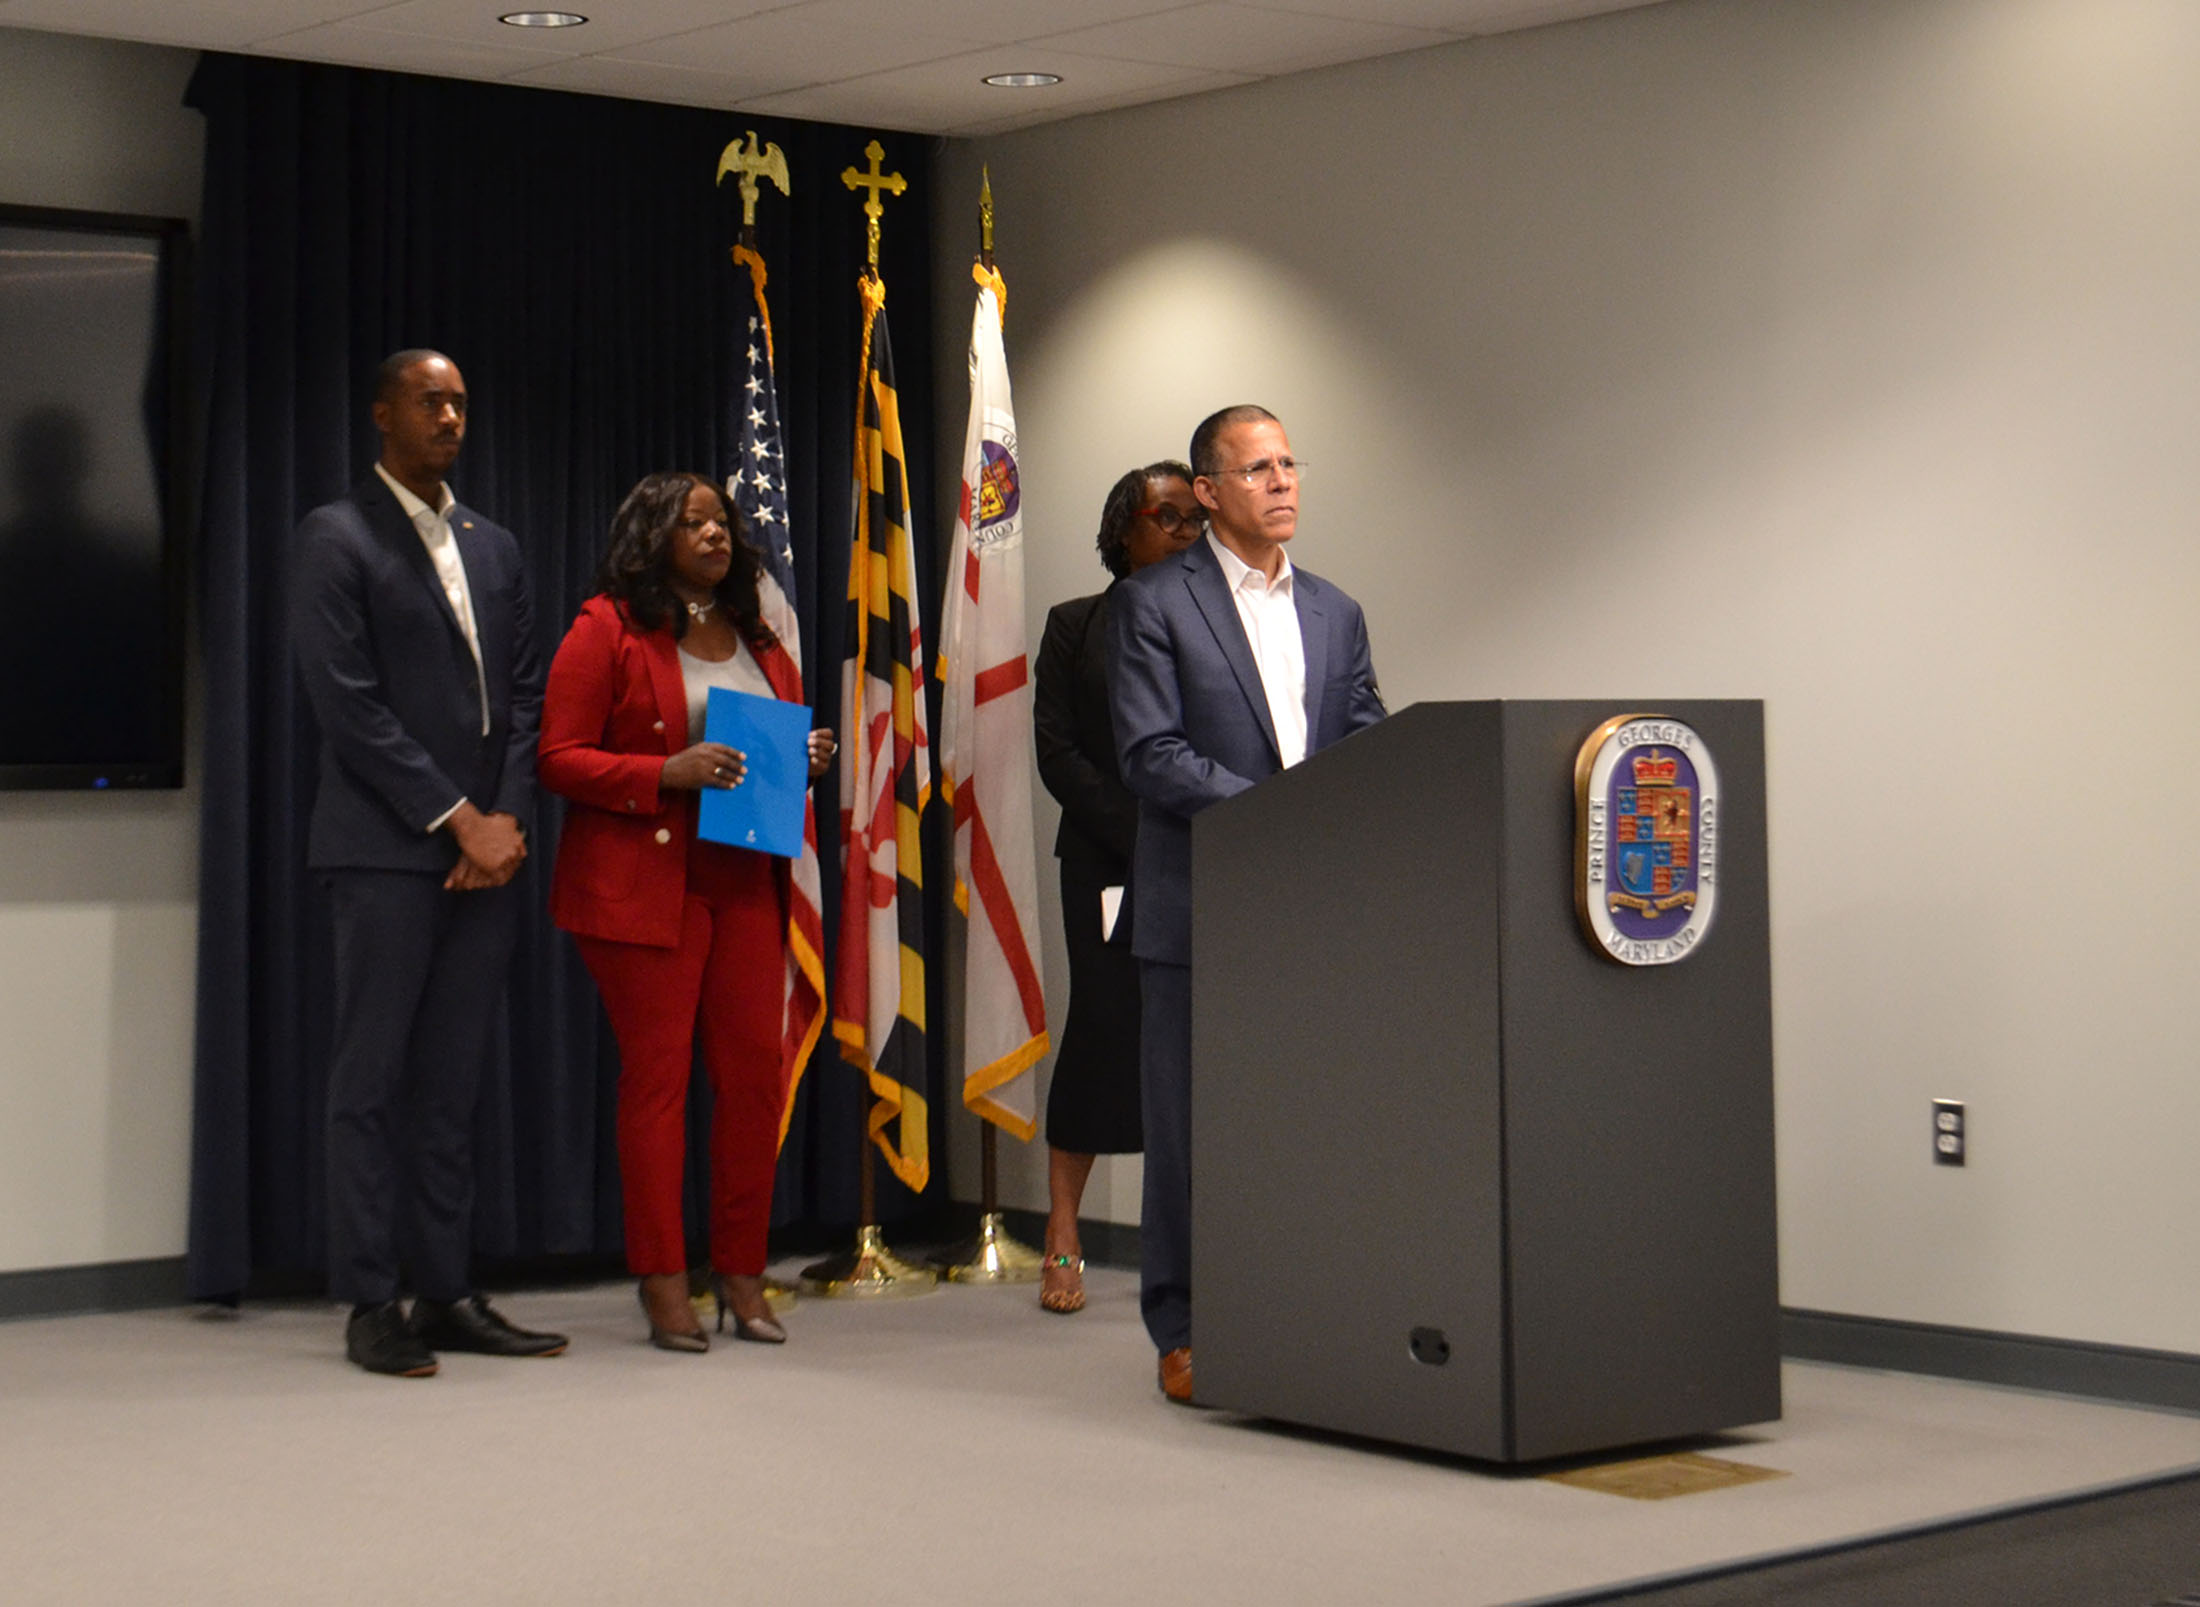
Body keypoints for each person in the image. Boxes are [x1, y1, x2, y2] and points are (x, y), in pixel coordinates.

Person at [291, 348, 567, 1378]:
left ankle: (446, 1289)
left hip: (486, 855)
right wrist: (456, 818)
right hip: (383, 852)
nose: (450, 415)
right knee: (369, 1083)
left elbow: (526, 696)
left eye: (459, 400)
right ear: (382, 414)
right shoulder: (335, 536)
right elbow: (347, 705)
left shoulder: (492, 545)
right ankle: (372, 1299)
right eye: (428, 400)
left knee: (451, 1087)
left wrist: (502, 819)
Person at [1107, 405, 1386, 1402]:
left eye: (1289, 464)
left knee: (1302, 1118)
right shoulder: (1152, 603)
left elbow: (1365, 733)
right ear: (1209, 491)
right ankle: (1181, 1326)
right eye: (1256, 468)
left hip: (1308, 915)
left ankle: (1297, 1303)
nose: (1281, 482)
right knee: (1189, 1128)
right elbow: (1151, 752)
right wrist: (1282, 813)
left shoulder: (1335, 609)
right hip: (1197, 905)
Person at [538, 472, 834, 1352]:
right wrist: (661, 774)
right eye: (693, 521)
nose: (715, 534)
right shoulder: (606, 628)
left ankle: (740, 1271)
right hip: (643, 888)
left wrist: (803, 752)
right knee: (659, 1085)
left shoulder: (757, 631)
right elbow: (557, 756)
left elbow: (772, 737)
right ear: (652, 534)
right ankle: (664, 1278)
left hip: (743, 877)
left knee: (753, 1078)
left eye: (722, 522)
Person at [1031, 461, 1201, 1314]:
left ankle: (1203, 1241)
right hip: (1108, 856)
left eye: (1192, 518)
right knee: (1104, 1028)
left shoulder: (1220, 625)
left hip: (1209, 856)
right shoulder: (1076, 625)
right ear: (1123, 529)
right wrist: (1145, 836)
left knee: (1205, 1044)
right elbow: (1058, 752)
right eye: (1166, 516)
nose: (1185, 531)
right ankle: (1063, 1227)